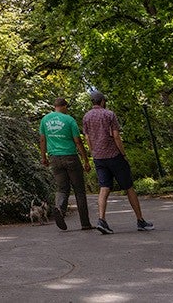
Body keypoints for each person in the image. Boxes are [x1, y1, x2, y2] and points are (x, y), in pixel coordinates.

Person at [81, 91, 154, 234]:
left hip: (98, 157)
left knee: (104, 187)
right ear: (102, 101)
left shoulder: (86, 117)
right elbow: (116, 136)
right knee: (129, 187)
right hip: (114, 155)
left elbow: (87, 138)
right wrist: (123, 154)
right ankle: (140, 220)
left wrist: (93, 152)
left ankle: (101, 220)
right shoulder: (109, 114)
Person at [40, 97, 92, 231]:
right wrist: (85, 160)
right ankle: (85, 223)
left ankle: (60, 209)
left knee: (62, 188)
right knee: (79, 191)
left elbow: (42, 139)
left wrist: (43, 157)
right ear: (64, 106)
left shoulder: (45, 120)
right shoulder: (69, 120)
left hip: (54, 158)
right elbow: (78, 142)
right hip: (70, 157)